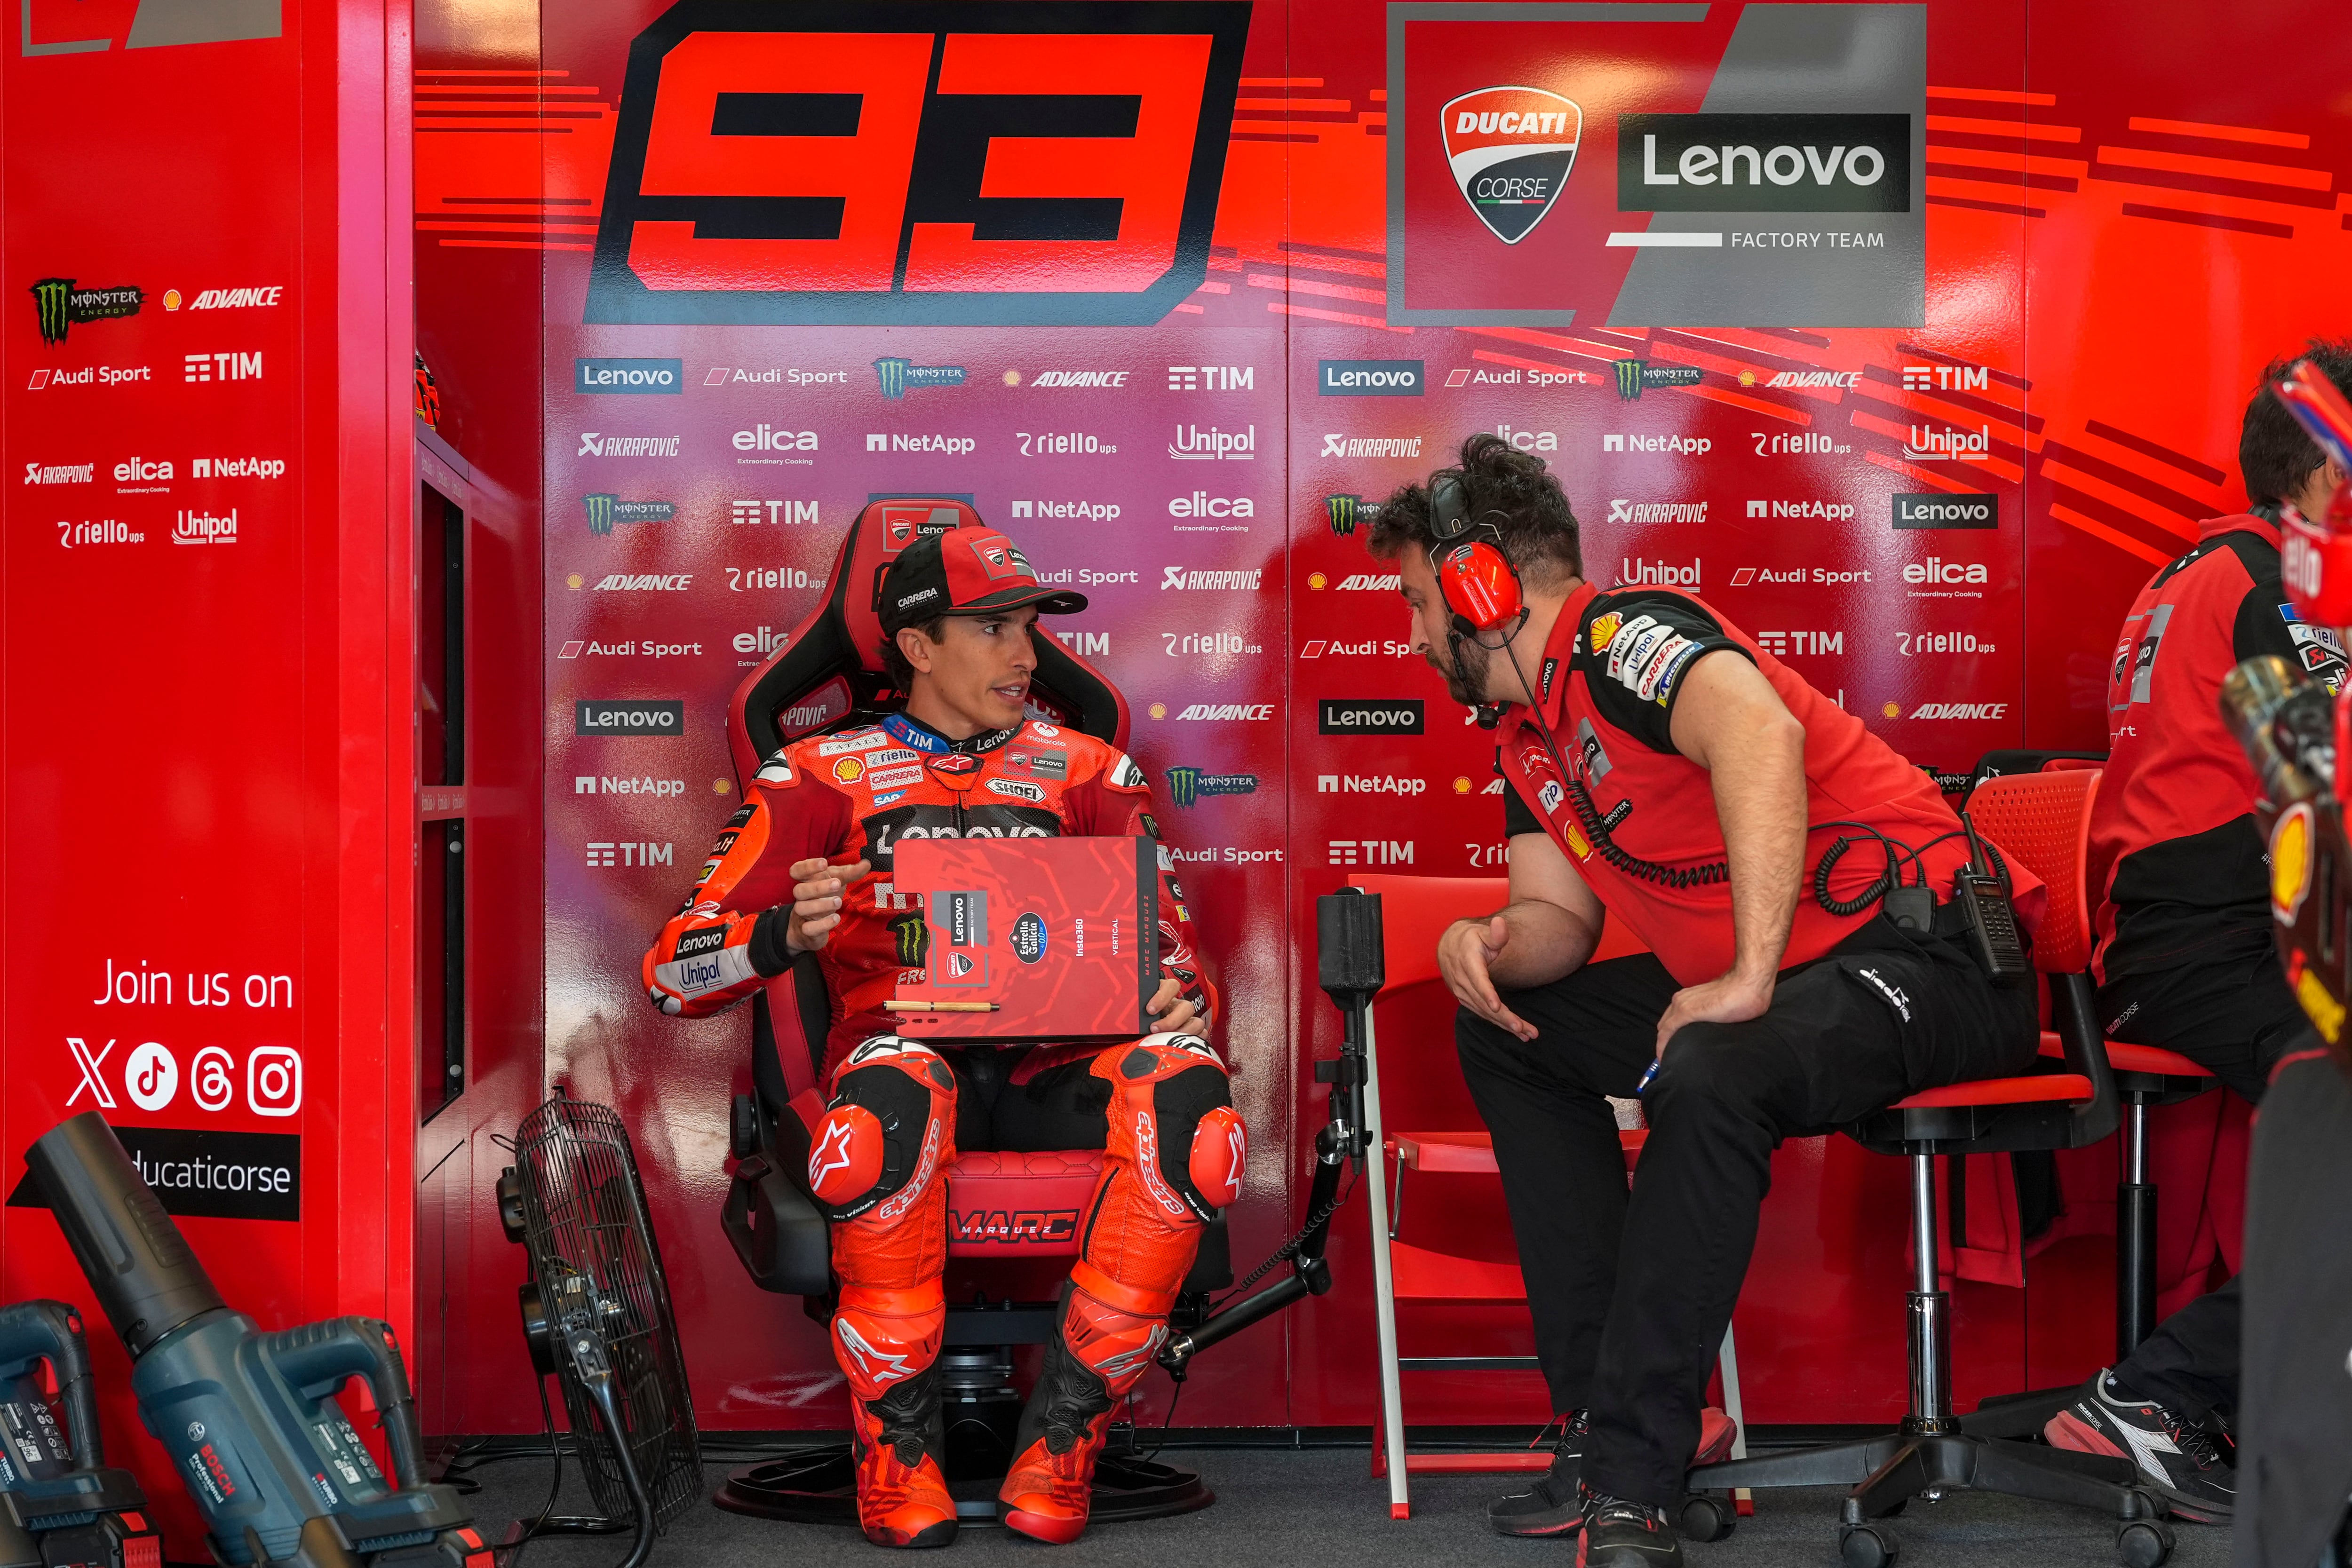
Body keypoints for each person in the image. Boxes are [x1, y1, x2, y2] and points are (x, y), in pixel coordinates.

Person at [1359, 433, 2044, 1566]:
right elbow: (1560, 926)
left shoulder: (1628, 637)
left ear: (1478, 581)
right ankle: (1599, 1413)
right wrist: (1482, 939)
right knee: (1513, 1034)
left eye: (1414, 599)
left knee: (1713, 1062)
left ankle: (1635, 1473)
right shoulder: (1524, 731)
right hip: (1808, 979)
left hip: (1940, 958)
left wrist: (1745, 977)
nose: (1412, 631)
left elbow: (1758, 734)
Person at [640, 525, 1242, 1549]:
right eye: (997, 630)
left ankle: (1063, 1441)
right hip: (898, 1062)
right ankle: (896, 1452)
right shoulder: (815, 776)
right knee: (891, 1103)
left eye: (1032, 633)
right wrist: (784, 931)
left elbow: (1181, 962)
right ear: (918, 646)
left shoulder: (1091, 768)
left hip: (1058, 1065)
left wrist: (1189, 1002)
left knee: (1191, 1102)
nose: (1027, 657)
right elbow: (670, 972)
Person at [2038, 342, 2352, 1525]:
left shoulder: (2213, 561)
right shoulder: (2274, 582)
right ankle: (2157, 1392)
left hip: (2193, 931)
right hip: (2211, 939)